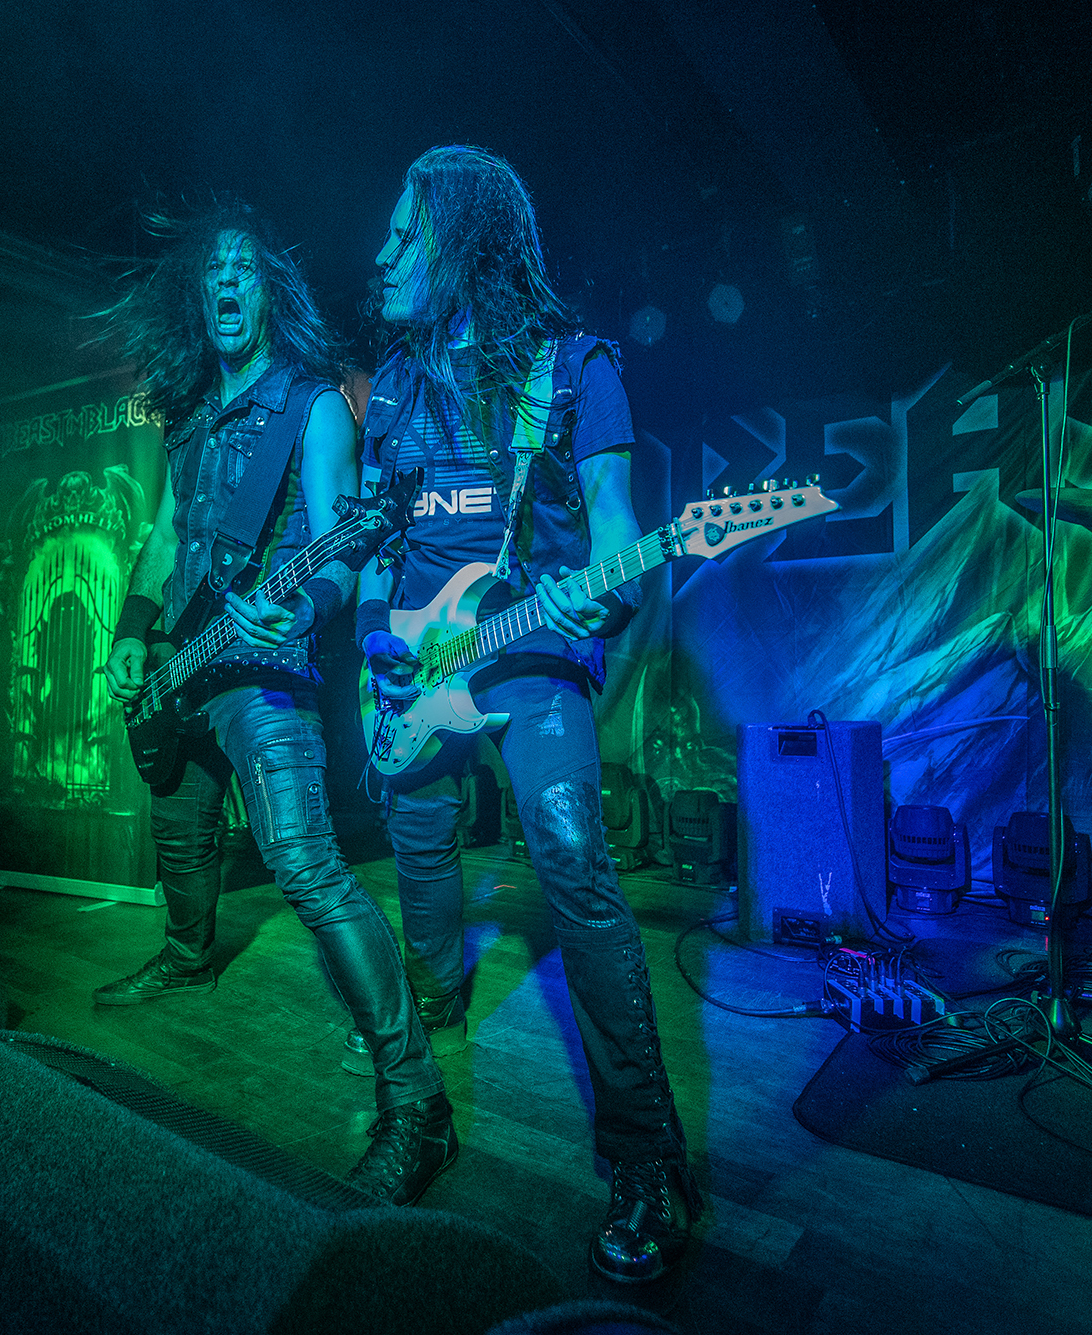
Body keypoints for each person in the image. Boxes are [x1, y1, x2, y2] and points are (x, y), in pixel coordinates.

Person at [354, 148, 697, 1281]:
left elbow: (615, 526)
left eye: (404, 234)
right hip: (416, 668)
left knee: (571, 855)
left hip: (529, 648)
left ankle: (647, 1156)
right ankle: (422, 1060)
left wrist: (607, 585)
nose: (382, 254)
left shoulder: (571, 367)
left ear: (459, 241)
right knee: (417, 855)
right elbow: (380, 545)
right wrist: (379, 638)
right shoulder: (394, 385)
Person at [94, 203, 453, 1206]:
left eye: (243, 269)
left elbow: (344, 547)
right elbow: (167, 536)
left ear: (268, 292)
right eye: (211, 270)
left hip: (263, 669)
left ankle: (417, 1102)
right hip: (183, 665)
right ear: (195, 294)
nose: (225, 281)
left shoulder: (314, 406)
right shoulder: (189, 416)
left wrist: (298, 611)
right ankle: (185, 956)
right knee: (179, 832)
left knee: (305, 865)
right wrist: (132, 632)